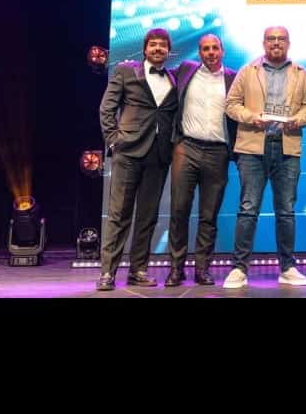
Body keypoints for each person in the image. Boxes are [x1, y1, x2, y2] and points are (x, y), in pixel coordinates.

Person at [223, 26, 306, 288]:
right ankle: (239, 268)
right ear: (264, 43)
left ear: (288, 43)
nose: (276, 43)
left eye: (281, 39)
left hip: (286, 146)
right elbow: (231, 104)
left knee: (286, 211)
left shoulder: (301, 73)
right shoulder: (248, 71)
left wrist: (297, 120)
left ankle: (288, 267)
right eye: (271, 39)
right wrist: (252, 117)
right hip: (253, 147)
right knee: (248, 209)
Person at [96, 28, 178, 291]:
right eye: (153, 44)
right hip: (128, 151)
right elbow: (107, 108)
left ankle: (138, 270)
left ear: (169, 50)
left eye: (162, 45)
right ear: (145, 49)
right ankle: (107, 273)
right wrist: (113, 140)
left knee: (147, 216)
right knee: (119, 214)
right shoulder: (125, 71)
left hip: (159, 154)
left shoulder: (173, 78)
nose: (158, 48)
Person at [165, 34, 237, 287]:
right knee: (179, 211)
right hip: (186, 147)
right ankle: (176, 269)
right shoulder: (186, 70)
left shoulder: (233, 77)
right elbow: (159, 75)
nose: (211, 52)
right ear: (199, 52)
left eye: (215, 48)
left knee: (209, 215)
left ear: (222, 51)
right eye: (206, 49)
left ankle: (202, 269)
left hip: (218, 152)